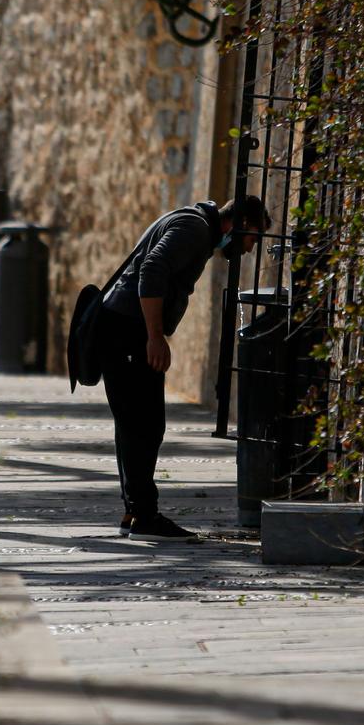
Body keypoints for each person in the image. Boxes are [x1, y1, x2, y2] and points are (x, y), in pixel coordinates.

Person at [98, 194, 268, 542]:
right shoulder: (193, 228)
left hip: (122, 327)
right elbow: (152, 269)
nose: (250, 250)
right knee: (144, 424)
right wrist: (154, 337)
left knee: (135, 423)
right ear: (243, 224)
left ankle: (135, 511)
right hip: (128, 329)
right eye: (253, 240)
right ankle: (145, 517)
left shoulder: (196, 225)